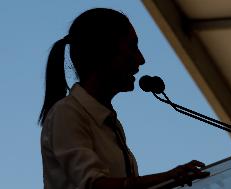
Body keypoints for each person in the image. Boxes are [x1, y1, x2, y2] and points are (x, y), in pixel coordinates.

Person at [39, 8, 209, 189]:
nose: (141, 59)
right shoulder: (67, 113)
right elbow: (93, 185)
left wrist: (168, 179)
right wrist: (168, 177)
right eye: (132, 46)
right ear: (103, 52)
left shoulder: (107, 121)